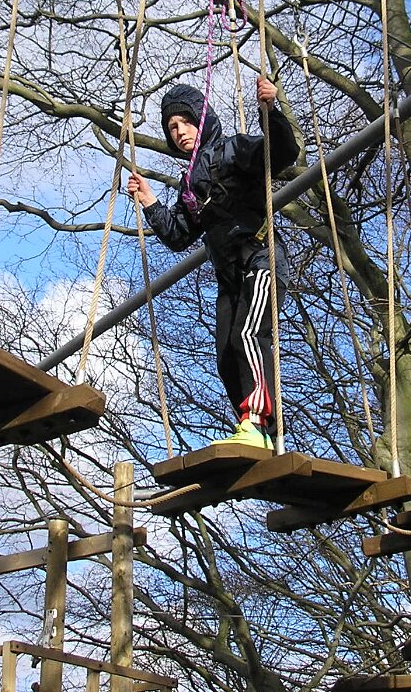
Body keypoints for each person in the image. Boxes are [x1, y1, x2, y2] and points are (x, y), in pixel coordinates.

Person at [126, 76, 299, 450]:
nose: (179, 132)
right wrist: (151, 202)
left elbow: (282, 153)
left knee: (248, 335)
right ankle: (254, 428)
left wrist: (271, 110)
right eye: (172, 127)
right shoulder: (189, 184)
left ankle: (259, 420)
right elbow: (178, 235)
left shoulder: (232, 150)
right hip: (229, 275)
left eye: (186, 122)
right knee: (225, 352)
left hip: (260, 258)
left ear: (202, 120)